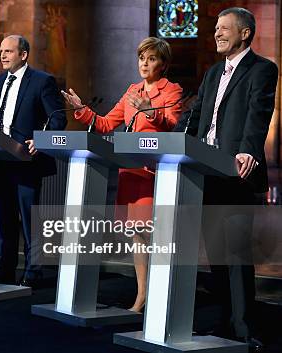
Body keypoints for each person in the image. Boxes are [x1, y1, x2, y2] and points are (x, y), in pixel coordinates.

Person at [175, 8, 277, 352]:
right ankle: (224, 320)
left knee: (236, 252)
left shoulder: (262, 69)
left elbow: (259, 111)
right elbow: (195, 111)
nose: (216, 33)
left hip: (236, 171)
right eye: (216, 28)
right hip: (205, 170)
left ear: (245, 33)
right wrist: (174, 139)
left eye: (224, 29)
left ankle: (245, 326)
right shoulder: (213, 72)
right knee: (216, 253)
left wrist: (248, 150)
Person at [62, 37, 183, 312]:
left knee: (156, 235)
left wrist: (149, 110)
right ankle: (142, 295)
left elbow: (176, 124)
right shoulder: (132, 91)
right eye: (142, 57)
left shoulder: (171, 91)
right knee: (137, 236)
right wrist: (81, 109)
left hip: (155, 172)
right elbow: (105, 124)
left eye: (151, 58)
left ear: (162, 64)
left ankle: (163, 294)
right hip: (131, 171)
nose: (144, 63)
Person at [0, 35, 67, 288]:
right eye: (1, 51)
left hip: (27, 160)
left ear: (23, 55)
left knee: (29, 219)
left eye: (9, 51)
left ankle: (33, 271)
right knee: (4, 219)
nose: (3, 55)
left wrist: (42, 139)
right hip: (1, 160)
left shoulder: (42, 81)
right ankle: (5, 270)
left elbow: (58, 118)